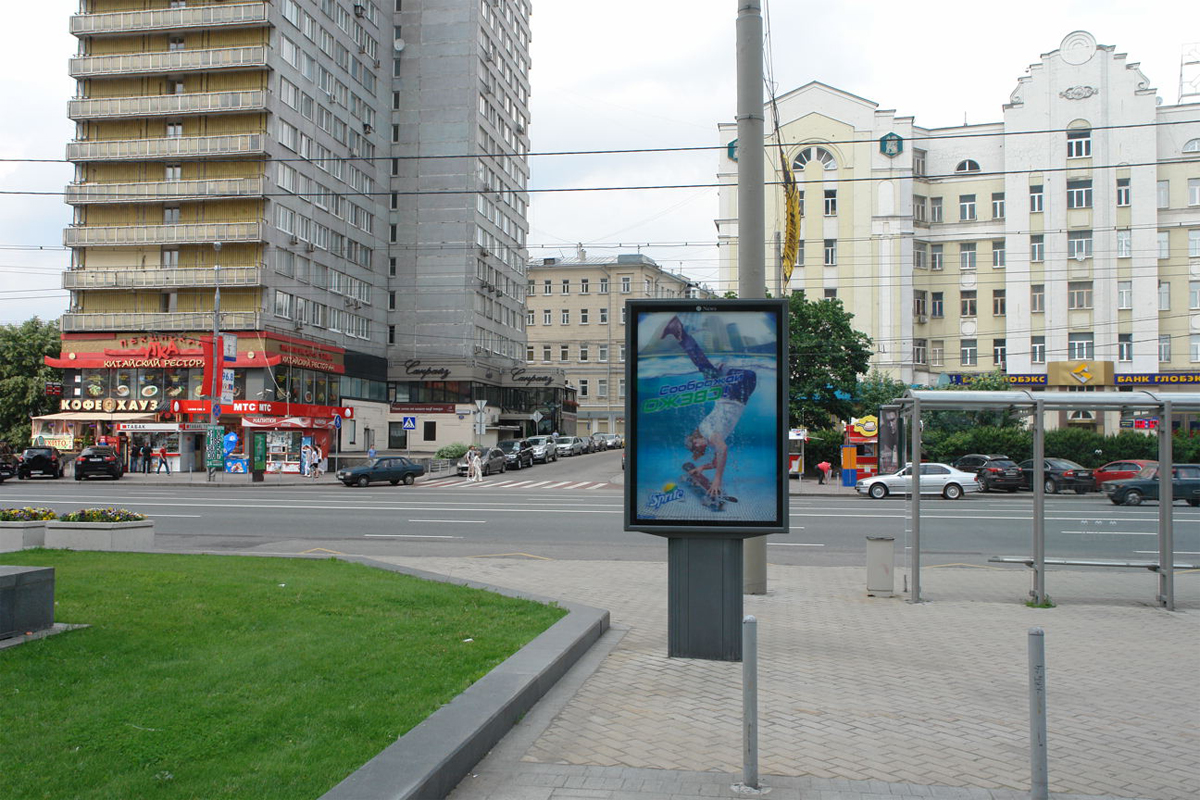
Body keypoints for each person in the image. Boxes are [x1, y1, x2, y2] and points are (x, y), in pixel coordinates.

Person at [659, 315, 758, 501]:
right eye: (699, 450)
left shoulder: (709, 433)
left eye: (697, 447)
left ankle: (681, 333)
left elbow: (723, 449)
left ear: (696, 439)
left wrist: (717, 480)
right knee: (705, 367)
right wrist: (702, 468)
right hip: (736, 391)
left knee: (704, 366)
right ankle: (720, 368)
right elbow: (716, 460)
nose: (701, 448)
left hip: (734, 391)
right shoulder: (708, 434)